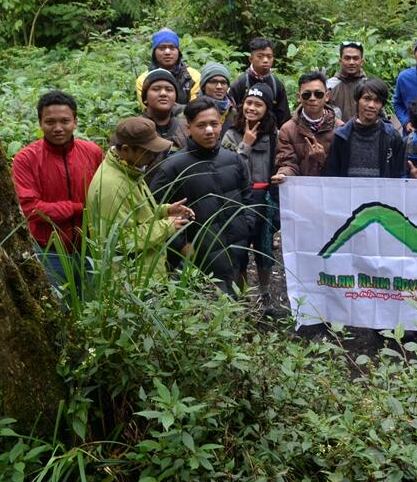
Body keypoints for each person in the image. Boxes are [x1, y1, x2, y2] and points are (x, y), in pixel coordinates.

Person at [149, 98, 254, 293]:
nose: (209, 131)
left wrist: (246, 227)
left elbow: (247, 197)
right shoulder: (173, 167)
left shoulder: (233, 159)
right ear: (188, 128)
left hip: (237, 248)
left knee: (235, 305)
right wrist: (181, 246)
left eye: (214, 124)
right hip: (199, 258)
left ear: (221, 124)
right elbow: (154, 212)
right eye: (201, 125)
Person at [12, 90, 103, 287]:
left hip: (90, 247)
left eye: (65, 121)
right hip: (49, 250)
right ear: (40, 123)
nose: (58, 128)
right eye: (50, 122)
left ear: (75, 122)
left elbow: (103, 195)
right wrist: (78, 208)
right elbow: (32, 210)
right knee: (59, 308)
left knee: (92, 305)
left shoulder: (92, 152)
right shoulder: (26, 159)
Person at [85, 117, 193, 279]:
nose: (153, 156)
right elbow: (120, 241)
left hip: (145, 273)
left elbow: (137, 214)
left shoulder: (129, 170)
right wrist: (167, 226)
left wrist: (166, 210)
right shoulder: (112, 185)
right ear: (127, 149)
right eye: (148, 152)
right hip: (130, 281)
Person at [221, 84, 282, 313]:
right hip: (238, 198)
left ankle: (265, 296)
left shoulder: (273, 134)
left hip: (264, 198)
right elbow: (228, 168)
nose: (252, 108)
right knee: (240, 251)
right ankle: (243, 298)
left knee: (264, 250)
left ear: (267, 108)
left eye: (258, 104)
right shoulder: (230, 133)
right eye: (249, 103)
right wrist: (245, 144)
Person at [324, 78, 405, 178]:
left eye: (377, 101)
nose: (371, 105)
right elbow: (332, 175)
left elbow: (399, 174)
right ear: (357, 101)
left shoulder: (392, 137)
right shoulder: (341, 136)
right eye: (367, 99)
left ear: (381, 105)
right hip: (349, 193)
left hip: (382, 193)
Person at [273, 71, 342, 181]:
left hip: (330, 191)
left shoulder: (340, 128)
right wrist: (284, 175)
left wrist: (323, 159)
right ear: (298, 97)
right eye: (306, 94)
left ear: (327, 96)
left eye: (318, 94)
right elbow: (288, 163)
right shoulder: (287, 130)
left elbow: (343, 168)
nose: (312, 98)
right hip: (300, 193)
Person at [228, 36, 290, 128]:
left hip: (270, 136)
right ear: (251, 59)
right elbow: (231, 114)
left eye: (269, 57)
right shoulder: (241, 83)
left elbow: (284, 117)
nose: (265, 60)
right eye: (260, 56)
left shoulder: (276, 84)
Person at [134, 27, 200, 107]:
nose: (167, 52)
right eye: (162, 48)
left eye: (172, 48)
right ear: (154, 52)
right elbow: (148, 109)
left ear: (178, 51)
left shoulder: (194, 76)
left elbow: (195, 109)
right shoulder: (143, 80)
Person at [140, 69, 189, 152]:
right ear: (145, 98)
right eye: (156, 89)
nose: (163, 93)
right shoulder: (134, 129)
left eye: (169, 89)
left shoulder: (188, 127)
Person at [327, 40, 370, 122]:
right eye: (347, 58)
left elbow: (380, 114)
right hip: (337, 133)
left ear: (362, 62)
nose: (351, 62)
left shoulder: (369, 86)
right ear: (340, 61)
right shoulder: (329, 86)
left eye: (355, 58)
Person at [198, 62, 238, 131]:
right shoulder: (191, 111)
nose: (219, 87)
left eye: (223, 83)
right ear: (203, 86)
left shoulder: (233, 113)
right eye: (213, 82)